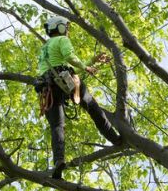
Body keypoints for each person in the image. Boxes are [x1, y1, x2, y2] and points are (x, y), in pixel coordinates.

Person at [36, 15, 121, 179]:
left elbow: (59, 65)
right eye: (66, 28)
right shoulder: (62, 39)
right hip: (65, 79)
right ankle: (114, 138)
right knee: (92, 106)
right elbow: (69, 57)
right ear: (60, 27)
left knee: (57, 125)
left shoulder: (45, 48)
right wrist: (85, 66)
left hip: (47, 87)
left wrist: (91, 62)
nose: (67, 31)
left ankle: (59, 160)